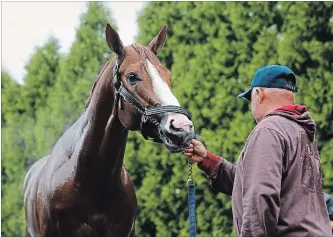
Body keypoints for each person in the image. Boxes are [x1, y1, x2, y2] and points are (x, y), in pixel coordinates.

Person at [184, 65, 332, 237]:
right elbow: (253, 182)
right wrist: (207, 160)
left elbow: (261, 195)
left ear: (258, 94)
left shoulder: (268, 129)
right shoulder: (301, 133)